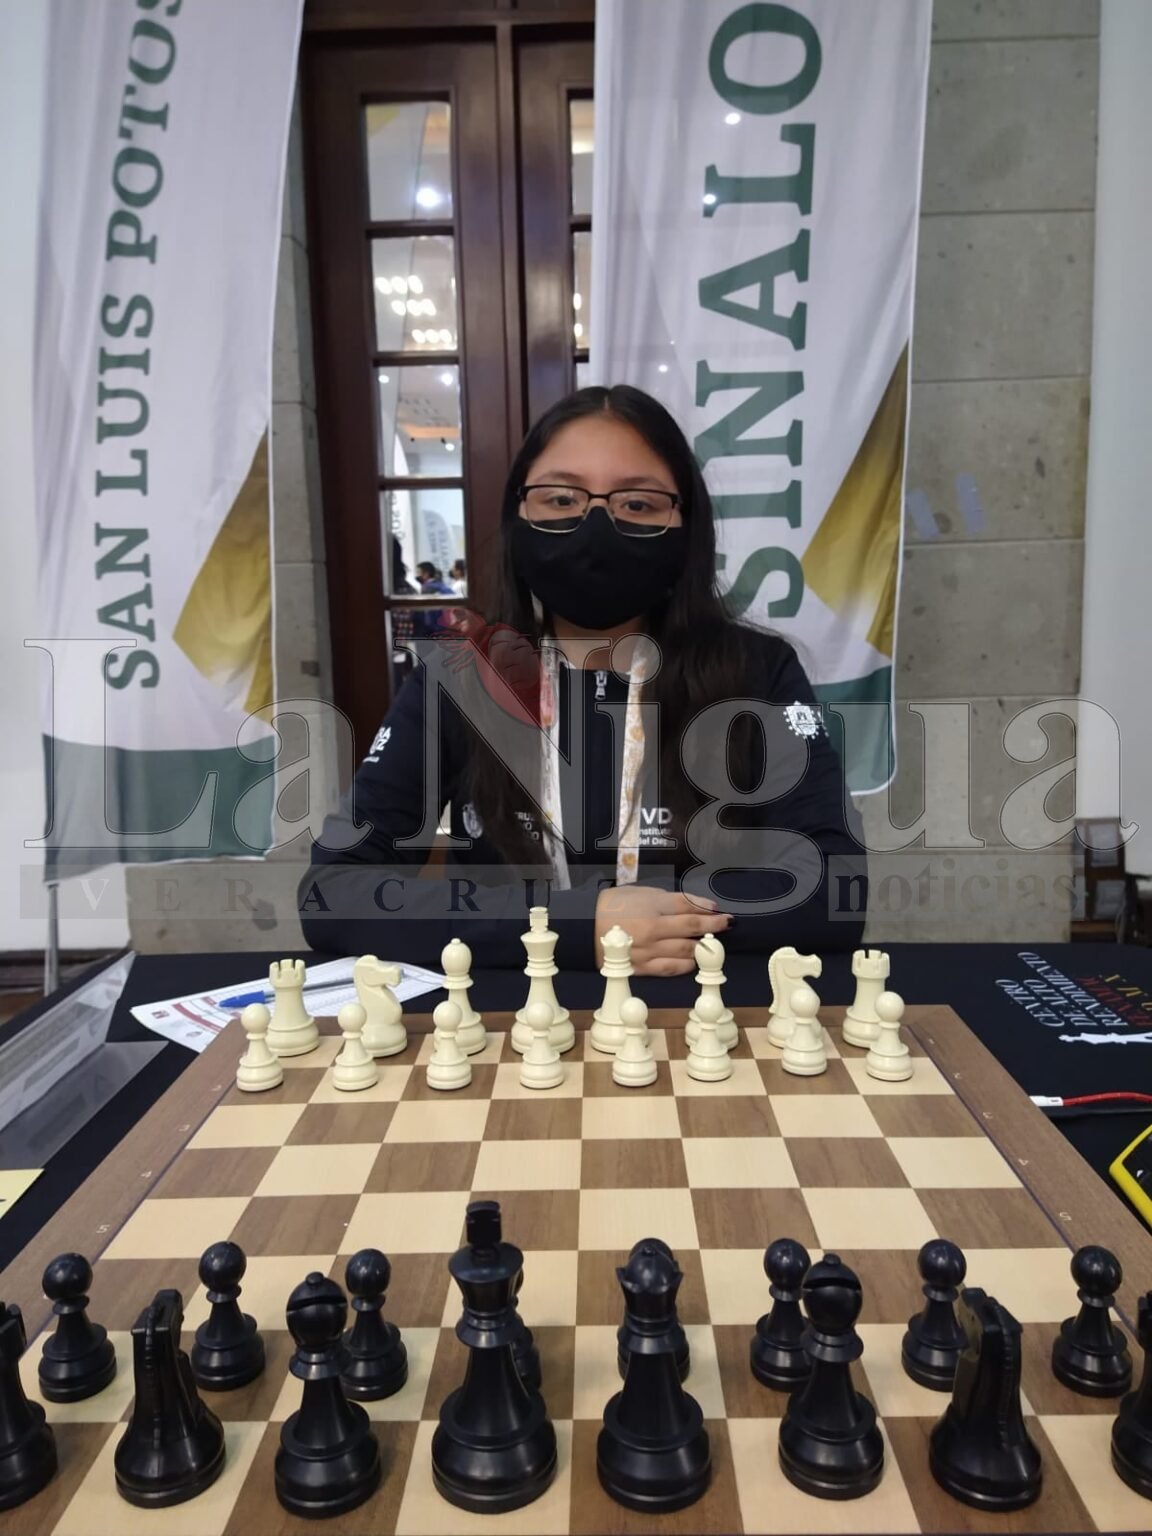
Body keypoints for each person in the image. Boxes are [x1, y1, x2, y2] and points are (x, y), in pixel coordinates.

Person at [299, 385, 866, 973]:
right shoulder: (460, 678)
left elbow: (834, 891)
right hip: (507, 1034)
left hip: (704, 1027)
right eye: (561, 499)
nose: (597, 527)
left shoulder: (758, 672)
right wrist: (572, 925)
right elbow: (332, 892)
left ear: (686, 526)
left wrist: (653, 928)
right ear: (517, 516)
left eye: (638, 504)